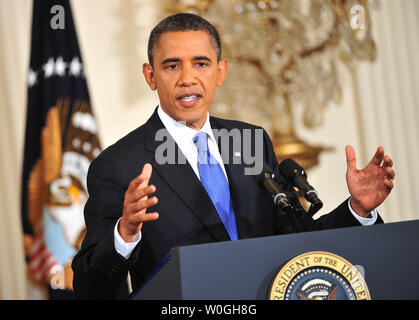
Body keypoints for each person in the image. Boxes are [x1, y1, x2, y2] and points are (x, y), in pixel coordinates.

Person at [71, 13, 395, 299]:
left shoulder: (249, 141)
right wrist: (124, 235)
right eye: (172, 65)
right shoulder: (118, 166)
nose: (187, 78)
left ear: (220, 72)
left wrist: (358, 209)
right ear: (150, 75)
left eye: (201, 63)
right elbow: (91, 287)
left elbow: (295, 243)